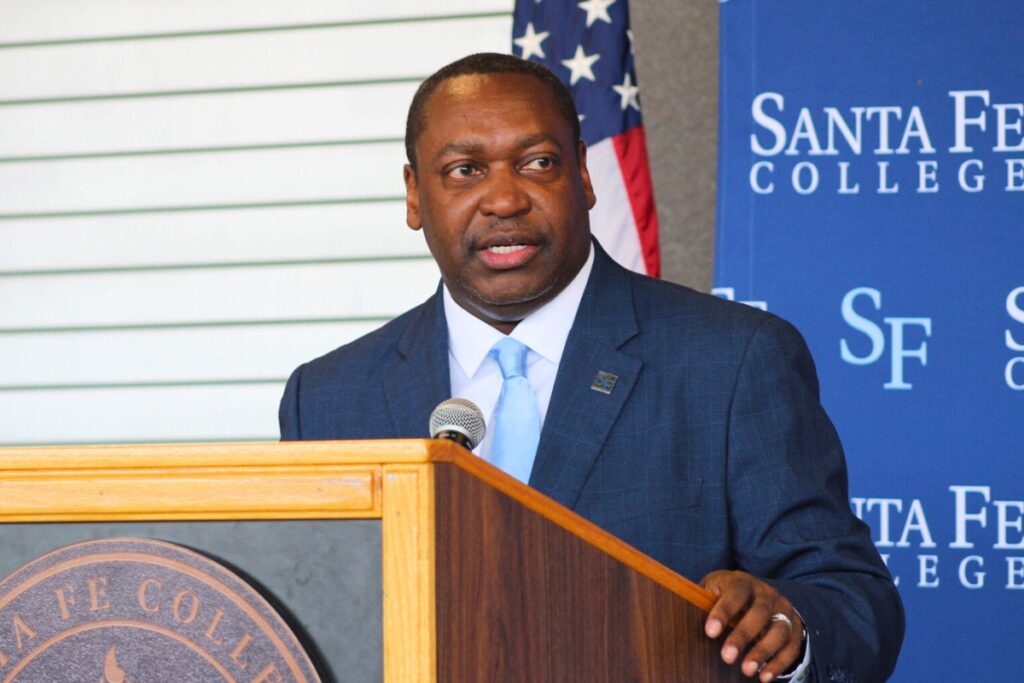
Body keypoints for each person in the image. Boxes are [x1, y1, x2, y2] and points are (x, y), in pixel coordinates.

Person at [280, 53, 904, 682]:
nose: (504, 199)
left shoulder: (732, 360)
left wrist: (788, 624)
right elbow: (301, 618)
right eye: (465, 170)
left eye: (537, 163)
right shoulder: (329, 398)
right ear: (415, 194)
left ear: (582, 173)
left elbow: (852, 601)